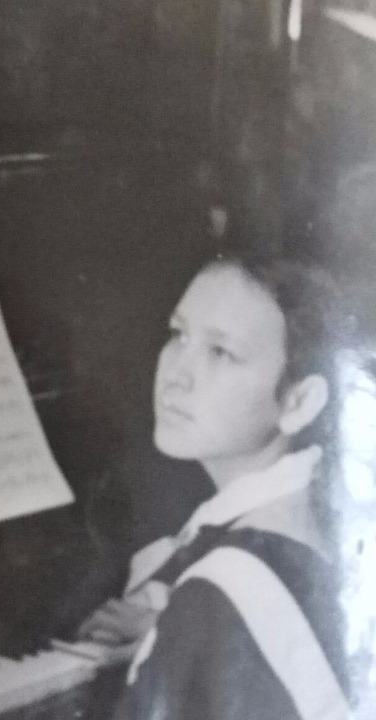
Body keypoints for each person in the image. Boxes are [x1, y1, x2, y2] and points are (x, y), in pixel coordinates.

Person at [78, 254, 352, 720]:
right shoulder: (316, 513)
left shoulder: (225, 593)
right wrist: (174, 627)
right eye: (178, 335)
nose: (175, 376)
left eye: (221, 352)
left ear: (299, 402)